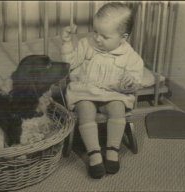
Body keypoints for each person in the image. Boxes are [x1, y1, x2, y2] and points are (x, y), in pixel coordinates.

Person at [61, 2, 144, 179]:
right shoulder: (86, 44)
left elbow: (136, 80)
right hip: (86, 91)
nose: (97, 38)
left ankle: (112, 149)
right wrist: (67, 42)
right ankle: (94, 153)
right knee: (85, 108)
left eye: (104, 36)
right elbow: (70, 64)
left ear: (123, 37)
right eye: (95, 32)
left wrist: (130, 82)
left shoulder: (130, 56)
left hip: (113, 93)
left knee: (117, 108)